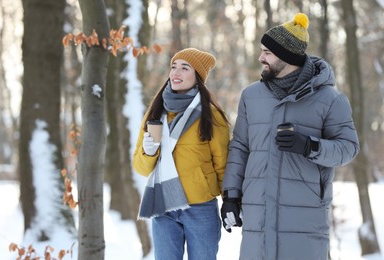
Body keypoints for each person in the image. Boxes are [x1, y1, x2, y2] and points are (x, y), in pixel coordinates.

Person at [221, 13, 359, 260]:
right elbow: (240, 147)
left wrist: (310, 146)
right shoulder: (251, 96)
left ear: (288, 57)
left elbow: (348, 148)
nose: (261, 57)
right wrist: (231, 196)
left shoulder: (330, 99)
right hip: (258, 214)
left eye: (268, 52)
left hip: (304, 215)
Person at [132, 48, 230, 260]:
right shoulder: (156, 112)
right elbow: (140, 167)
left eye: (185, 68)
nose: (176, 72)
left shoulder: (211, 115)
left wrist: (231, 201)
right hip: (164, 205)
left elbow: (223, 164)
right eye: (174, 67)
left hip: (200, 207)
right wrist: (149, 153)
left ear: (198, 77)